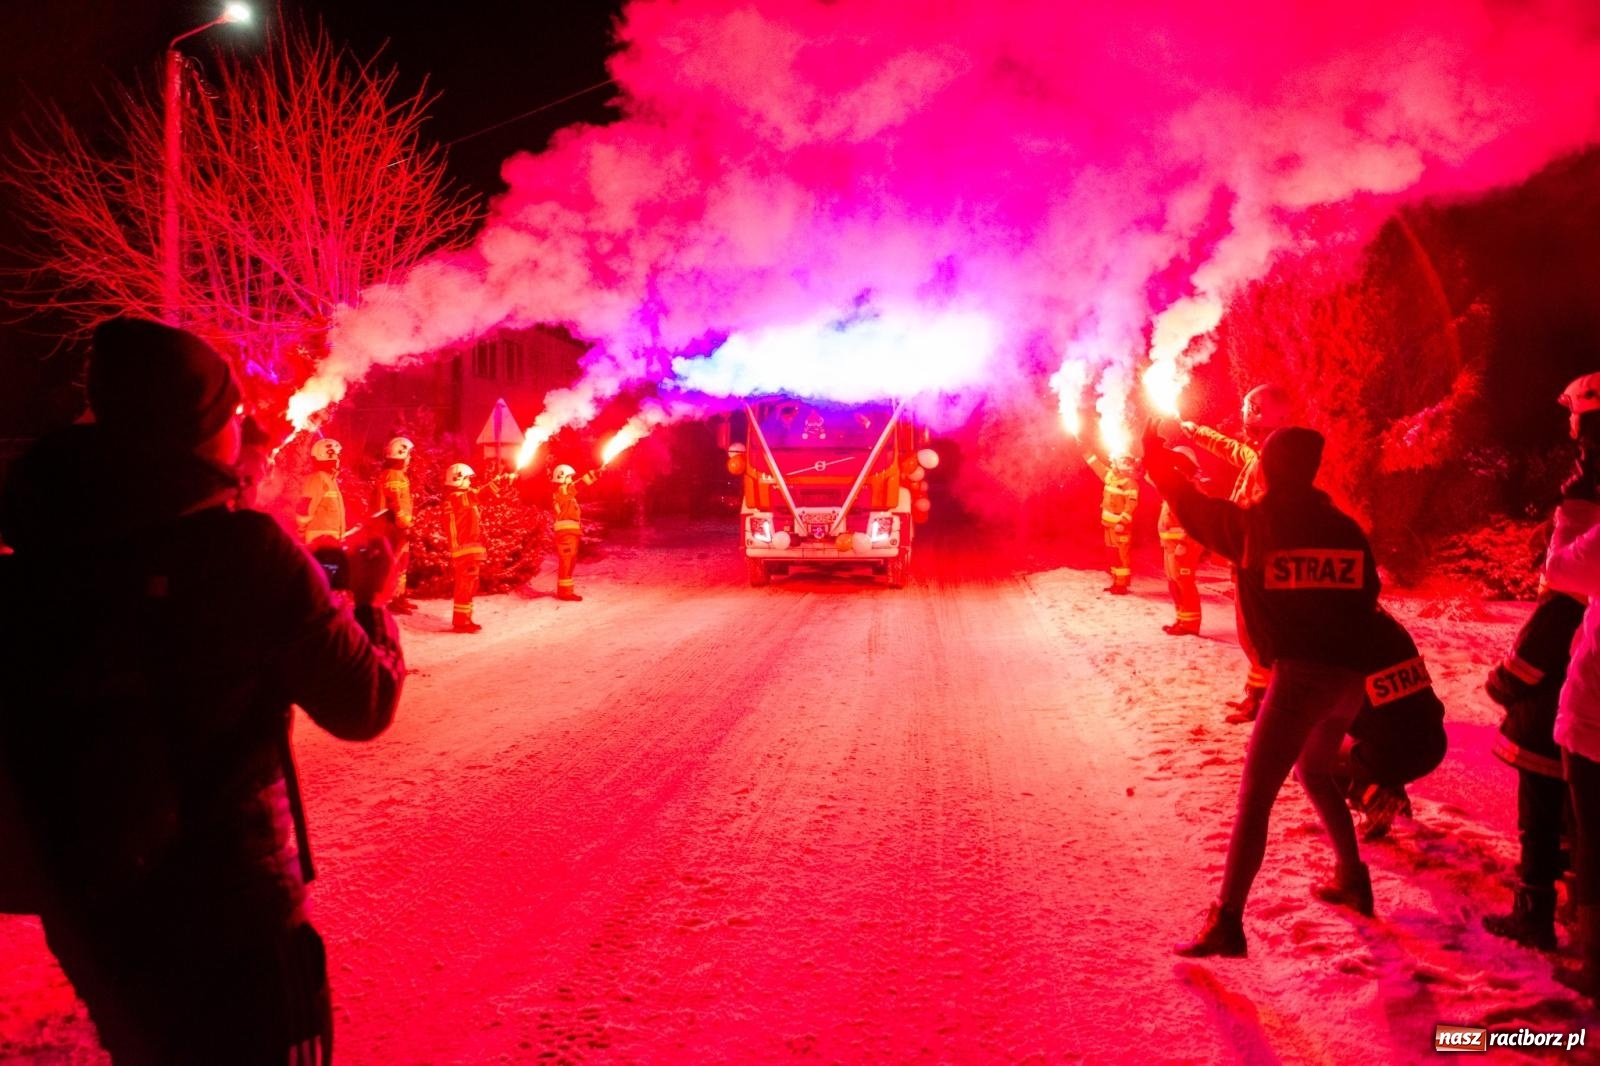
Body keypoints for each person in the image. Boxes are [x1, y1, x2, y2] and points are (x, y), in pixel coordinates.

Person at [0, 316, 405, 1062]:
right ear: (199, 428)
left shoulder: (39, 547)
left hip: (95, 904)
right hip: (232, 914)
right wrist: (373, 601)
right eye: (231, 413)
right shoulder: (246, 552)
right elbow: (364, 704)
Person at [1144, 422, 1382, 958]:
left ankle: (1227, 921)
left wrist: (1155, 458)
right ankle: (1352, 879)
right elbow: (1370, 594)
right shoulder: (1346, 530)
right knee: (1315, 772)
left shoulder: (1258, 526)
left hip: (1300, 679)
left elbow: (1192, 506)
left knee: (1255, 798)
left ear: (1270, 469)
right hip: (1348, 680)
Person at [1532, 371, 1600, 1001]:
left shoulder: (1589, 513)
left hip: (1594, 716)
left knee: (1593, 834)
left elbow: (1561, 571)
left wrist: (1571, 512)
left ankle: (1594, 964)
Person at [1177, 384, 1292, 722]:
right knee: (1252, 634)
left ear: (1258, 411)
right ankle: (1258, 695)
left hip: (1255, 563)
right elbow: (1231, 449)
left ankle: (1262, 701)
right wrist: (1197, 433)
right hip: (1248, 559)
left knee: (1257, 635)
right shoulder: (1266, 452)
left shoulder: (1271, 462)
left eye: (1246, 407)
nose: (1242, 414)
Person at [1341, 607, 1448, 842]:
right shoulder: (1388, 627)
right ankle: (1392, 796)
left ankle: (1376, 798)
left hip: (1392, 752)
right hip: (1433, 740)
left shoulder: (1343, 635)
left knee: (1316, 753)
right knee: (1386, 726)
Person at [444, 462, 510, 632]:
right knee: (465, 585)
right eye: (467, 479)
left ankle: (465, 619)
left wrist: (499, 482)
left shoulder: (461, 497)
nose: (470, 482)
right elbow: (479, 495)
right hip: (465, 549)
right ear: (457, 479)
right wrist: (496, 483)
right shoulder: (456, 498)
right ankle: (461, 622)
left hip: (469, 549)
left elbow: (478, 495)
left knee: (470, 585)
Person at [1157, 446, 1206, 635]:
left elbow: (1198, 521)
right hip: (1170, 546)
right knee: (1174, 583)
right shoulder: (1177, 486)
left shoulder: (1194, 489)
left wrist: (1185, 543)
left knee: (1184, 582)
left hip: (1184, 546)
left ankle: (1191, 625)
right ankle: (1181, 620)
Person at [1080, 448, 1140, 595]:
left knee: (1121, 555)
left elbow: (1131, 505)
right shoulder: (1110, 476)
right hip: (1108, 525)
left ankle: (1122, 585)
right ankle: (1116, 582)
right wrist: (1084, 449)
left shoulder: (1130, 483)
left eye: (1126, 461)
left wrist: (1122, 522)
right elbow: (1096, 465)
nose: (1123, 464)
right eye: (1120, 461)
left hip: (1120, 526)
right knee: (1112, 554)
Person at [373, 436, 417, 614]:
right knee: (396, 564)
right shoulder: (393, 475)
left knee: (401, 564)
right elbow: (395, 502)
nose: (410, 458)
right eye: (408, 455)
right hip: (394, 527)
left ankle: (399, 597)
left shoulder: (395, 474)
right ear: (401, 455)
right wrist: (403, 523)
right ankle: (393, 599)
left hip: (396, 526)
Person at [552, 462, 601, 602]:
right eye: (569, 477)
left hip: (570, 533)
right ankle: (564, 593)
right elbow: (577, 486)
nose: (571, 479)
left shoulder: (566, 494)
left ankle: (566, 591)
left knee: (570, 561)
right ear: (562, 477)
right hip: (565, 534)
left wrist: (594, 475)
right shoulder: (562, 491)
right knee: (567, 562)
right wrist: (591, 475)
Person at [296, 437, 346, 545]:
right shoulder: (318, 479)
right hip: (319, 541)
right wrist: (301, 532)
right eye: (339, 456)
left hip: (330, 541)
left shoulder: (330, 480)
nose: (340, 460)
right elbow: (304, 509)